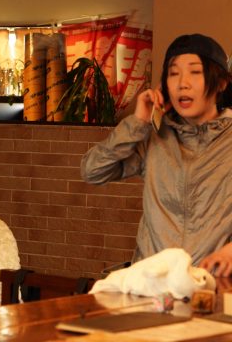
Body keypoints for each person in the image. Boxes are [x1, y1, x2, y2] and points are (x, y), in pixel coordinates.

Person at [81, 33, 232, 277]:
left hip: (210, 286)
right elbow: (92, 171)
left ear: (222, 82)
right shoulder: (154, 137)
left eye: (195, 72)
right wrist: (138, 122)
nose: (182, 83)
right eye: (173, 73)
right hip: (152, 285)